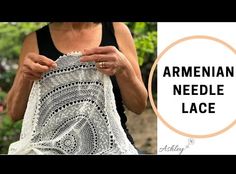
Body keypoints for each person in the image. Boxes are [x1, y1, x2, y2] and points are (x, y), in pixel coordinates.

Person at [7, 22, 148, 154]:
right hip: (52, 149)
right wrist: (23, 77)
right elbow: (14, 113)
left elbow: (139, 106)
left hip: (112, 147)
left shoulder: (118, 31)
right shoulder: (35, 40)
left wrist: (124, 69)